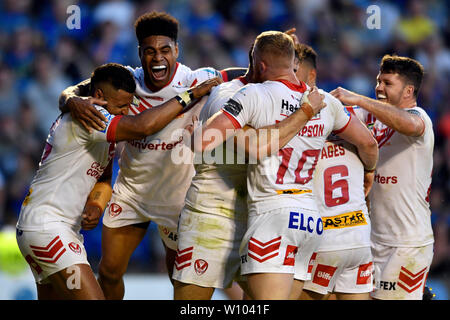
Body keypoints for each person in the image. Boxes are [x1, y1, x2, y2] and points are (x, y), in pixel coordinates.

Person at [58, 11, 242, 300]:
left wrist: (276, 60)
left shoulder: (197, 80)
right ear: (140, 53)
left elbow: (240, 75)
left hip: (178, 200)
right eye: (150, 51)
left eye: (165, 50)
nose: (158, 58)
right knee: (108, 271)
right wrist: (72, 101)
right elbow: (71, 91)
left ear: (176, 50)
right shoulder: (126, 81)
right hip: (132, 195)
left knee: (179, 281)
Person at [190, 31, 378, 300]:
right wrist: (369, 171)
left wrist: (243, 132)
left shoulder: (253, 94)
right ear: (293, 64)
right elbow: (369, 144)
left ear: (260, 65)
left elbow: (203, 140)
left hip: (272, 214)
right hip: (310, 220)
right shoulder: (327, 102)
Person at [16, 63, 220, 300]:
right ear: (100, 95)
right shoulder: (90, 117)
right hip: (49, 229)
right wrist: (190, 94)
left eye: (128, 105)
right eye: (121, 105)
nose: (125, 111)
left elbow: (102, 179)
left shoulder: (99, 127)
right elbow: (143, 127)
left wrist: (96, 205)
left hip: (47, 229)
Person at [172, 43, 326, 300]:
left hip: (259, 216)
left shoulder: (282, 95)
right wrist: (304, 113)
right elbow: (253, 147)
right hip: (212, 213)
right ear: (261, 64)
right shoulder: (230, 93)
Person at [331, 55, 434, 300]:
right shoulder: (371, 117)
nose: (379, 87)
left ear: (409, 90)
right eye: (378, 81)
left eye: (387, 83)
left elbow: (409, 125)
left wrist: (358, 99)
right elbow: (331, 111)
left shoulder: (419, 117)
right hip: (372, 238)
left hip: (407, 242)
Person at [292, 43, 375, 300]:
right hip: (360, 236)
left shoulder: (292, 118)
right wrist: (369, 171)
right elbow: (369, 143)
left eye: (294, 70)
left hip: (323, 238)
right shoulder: (344, 116)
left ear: (311, 75)